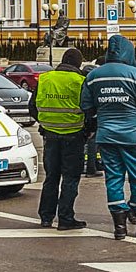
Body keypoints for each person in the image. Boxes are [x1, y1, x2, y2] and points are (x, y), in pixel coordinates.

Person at [81, 35, 136, 240]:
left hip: (106, 136)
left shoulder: (94, 76)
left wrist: (100, 117)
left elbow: (86, 106)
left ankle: (119, 227)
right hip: (134, 136)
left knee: (113, 179)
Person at [34, 47, 88, 230]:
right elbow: (89, 108)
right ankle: (65, 218)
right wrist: (87, 130)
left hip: (50, 135)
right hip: (74, 135)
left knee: (51, 177)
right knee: (70, 178)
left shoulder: (45, 79)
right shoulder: (80, 81)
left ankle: (46, 217)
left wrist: (46, 122)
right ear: (78, 64)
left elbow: (32, 107)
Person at [81, 60, 103, 177]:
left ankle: (91, 165)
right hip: (90, 120)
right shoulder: (91, 85)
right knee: (92, 144)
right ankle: (91, 168)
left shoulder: (83, 83)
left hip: (78, 120)